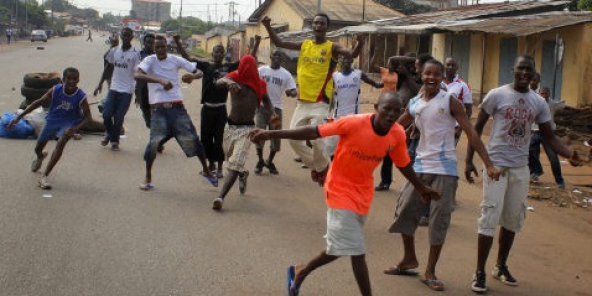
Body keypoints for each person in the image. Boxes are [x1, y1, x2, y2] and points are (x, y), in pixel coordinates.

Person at [250, 91, 441, 296]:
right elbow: (314, 131)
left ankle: (301, 271)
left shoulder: (397, 134)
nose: (391, 114)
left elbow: (403, 164)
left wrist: (421, 188)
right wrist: (271, 134)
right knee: (356, 250)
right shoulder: (353, 123)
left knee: (341, 246)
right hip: (338, 189)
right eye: (387, 109)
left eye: (397, 110)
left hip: (362, 195)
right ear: (376, 108)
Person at [465, 55, 583, 293]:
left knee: (512, 219)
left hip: (520, 168)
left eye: (528, 70)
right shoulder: (496, 95)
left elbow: (550, 136)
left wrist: (569, 154)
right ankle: (479, 272)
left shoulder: (538, 102)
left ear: (533, 73)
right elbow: (475, 130)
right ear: (513, 69)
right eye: (520, 68)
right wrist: (470, 161)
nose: (524, 73)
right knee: (489, 217)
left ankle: (500, 266)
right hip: (496, 165)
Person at [384, 60, 500, 292]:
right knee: (405, 212)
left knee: (439, 220)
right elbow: (396, 127)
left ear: (441, 78)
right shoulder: (415, 103)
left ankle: (430, 271)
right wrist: (375, 139)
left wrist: (488, 164)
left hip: (445, 170)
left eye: (437, 75)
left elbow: (470, 132)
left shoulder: (449, 101)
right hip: (419, 167)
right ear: (421, 75)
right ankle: (409, 259)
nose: (432, 78)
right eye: (428, 73)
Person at [262, 13, 365, 186]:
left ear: (327, 27)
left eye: (321, 23)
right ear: (313, 27)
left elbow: (351, 54)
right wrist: (267, 27)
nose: (318, 26)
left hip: (321, 103)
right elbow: (280, 43)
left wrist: (361, 43)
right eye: (315, 23)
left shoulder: (332, 47)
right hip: (302, 103)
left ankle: (322, 170)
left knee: (318, 140)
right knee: (294, 138)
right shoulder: (305, 45)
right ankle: (319, 167)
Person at [134, 35, 216, 191]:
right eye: (157, 47)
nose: (160, 50)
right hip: (159, 109)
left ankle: (206, 170)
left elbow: (200, 71)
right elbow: (137, 75)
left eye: (163, 46)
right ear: (154, 48)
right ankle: (148, 177)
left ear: (167, 46)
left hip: (177, 107)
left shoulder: (175, 60)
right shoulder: (150, 60)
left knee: (193, 139)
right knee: (153, 144)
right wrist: (160, 81)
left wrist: (192, 76)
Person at [174, 37, 260, 178]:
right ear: (212, 54)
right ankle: (210, 165)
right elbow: (187, 57)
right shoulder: (206, 66)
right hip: (207, 109)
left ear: (224, 54)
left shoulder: (228, 67)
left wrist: (256, 43)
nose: (219, 54)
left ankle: (220, 167)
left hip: (221, 110)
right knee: (206, 138)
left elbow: (248, 58)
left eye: (221, 52)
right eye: (216, 52)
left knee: (219, 138)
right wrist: (178, 42)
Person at [7, 67, 91, 190]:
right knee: (38, 148)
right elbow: (38, 102)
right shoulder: (56, 90)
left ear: (79, 80)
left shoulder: (81, 96)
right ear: (63, 80)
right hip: (52, 120)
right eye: (69, 79)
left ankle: (44, 177)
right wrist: (18, 117)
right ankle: (40, 156)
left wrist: (75, 129)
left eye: (75, 79)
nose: (72, 82)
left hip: (68, 123)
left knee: (61, 142)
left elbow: (88, 118)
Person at [211, 54, 275, 210]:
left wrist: (272, 113)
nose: (246, 70)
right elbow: (219, 82)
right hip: (230, 127)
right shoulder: (235, 77)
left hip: (247, 129)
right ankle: (242, 173)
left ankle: (220, 197)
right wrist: (229, 82)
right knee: (230, 159)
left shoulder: (260, 84)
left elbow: (266, 100)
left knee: (236, 162)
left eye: (249, 67)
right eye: (243, 66)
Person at [375, 53, 431, 191]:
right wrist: (407, 68)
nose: (413, 68)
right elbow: (392, 60)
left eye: (415, 66)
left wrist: (409, 73)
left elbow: (417, 91)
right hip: (399, 116)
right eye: (411, 65)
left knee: (411, 153)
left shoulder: (422, 79)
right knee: (389, 149)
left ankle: (415, 184)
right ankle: (385, 180)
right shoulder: (401, 76)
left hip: (414, 120)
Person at [325, 55, 383, 157]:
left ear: (352, 60)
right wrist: (328, 112)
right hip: (338, 116)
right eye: (344, 58)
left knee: (351, 145)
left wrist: (385, 82)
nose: (346, 60)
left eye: (349, 58)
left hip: (354, 116)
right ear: (340, 60)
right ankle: (335, 167)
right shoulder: (335, 76)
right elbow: (332, 95)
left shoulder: (358, 74)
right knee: (332, 146)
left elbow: (376, 84)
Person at [93, 27, 140, 151]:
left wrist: (137, 93)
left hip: (127, 91)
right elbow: (108, 68)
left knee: (119, 117)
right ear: (120, 36)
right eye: (123, 35)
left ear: (131, 37)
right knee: (107, 115)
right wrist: (100, 84)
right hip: (114, 89)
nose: (125, 37)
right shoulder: (114, 51)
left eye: (127, 35)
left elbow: (138, 74)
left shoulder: (135, 54)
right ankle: (109, 133)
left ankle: (114, 141)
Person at [254, 48, 297, 175]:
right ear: (271, 56)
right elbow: (252, 82)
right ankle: (260, 161)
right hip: (262, 108)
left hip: (276, 110)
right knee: (259, 134)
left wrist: (291, 93)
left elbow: (293, 90)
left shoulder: (286, 74)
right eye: (275, 55)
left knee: (276, 136)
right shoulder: (262, 70)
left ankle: (269, 161)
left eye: (280, 56)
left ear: (282, 59)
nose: (277, 57)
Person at [528, 87, 566, 188]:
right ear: (539, 94)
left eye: (546, 93)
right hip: (535, 132)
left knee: (553, 157)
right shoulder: (534, 103)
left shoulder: (552, 104)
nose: (544, 95)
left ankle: (559, 181)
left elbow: (563, 105)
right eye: (542, 93)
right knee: (531, 153)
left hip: (548, 134)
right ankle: (536, 172)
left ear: (549, 94)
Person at [443, 57, 473, 144]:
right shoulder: (438, 82)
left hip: (454, 127)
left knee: (448, 154)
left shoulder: (463, 86)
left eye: (453, 65)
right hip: (437, 124)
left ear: (457, 68)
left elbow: (469, 110)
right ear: (444, 66)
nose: (450, 67)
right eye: (448, 65)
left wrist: (460, 129)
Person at [135, 33, 156, 128]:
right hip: (142, 88)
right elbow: (136, 75)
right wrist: (137, 94)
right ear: (144, 43)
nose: (150, 45)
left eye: (152, 43)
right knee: (146, 112)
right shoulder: (138, 55)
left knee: (156, 116)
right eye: (148, 42)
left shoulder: (157, 57)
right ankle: (148, 120)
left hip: (154, 89)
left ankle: (155, 137)